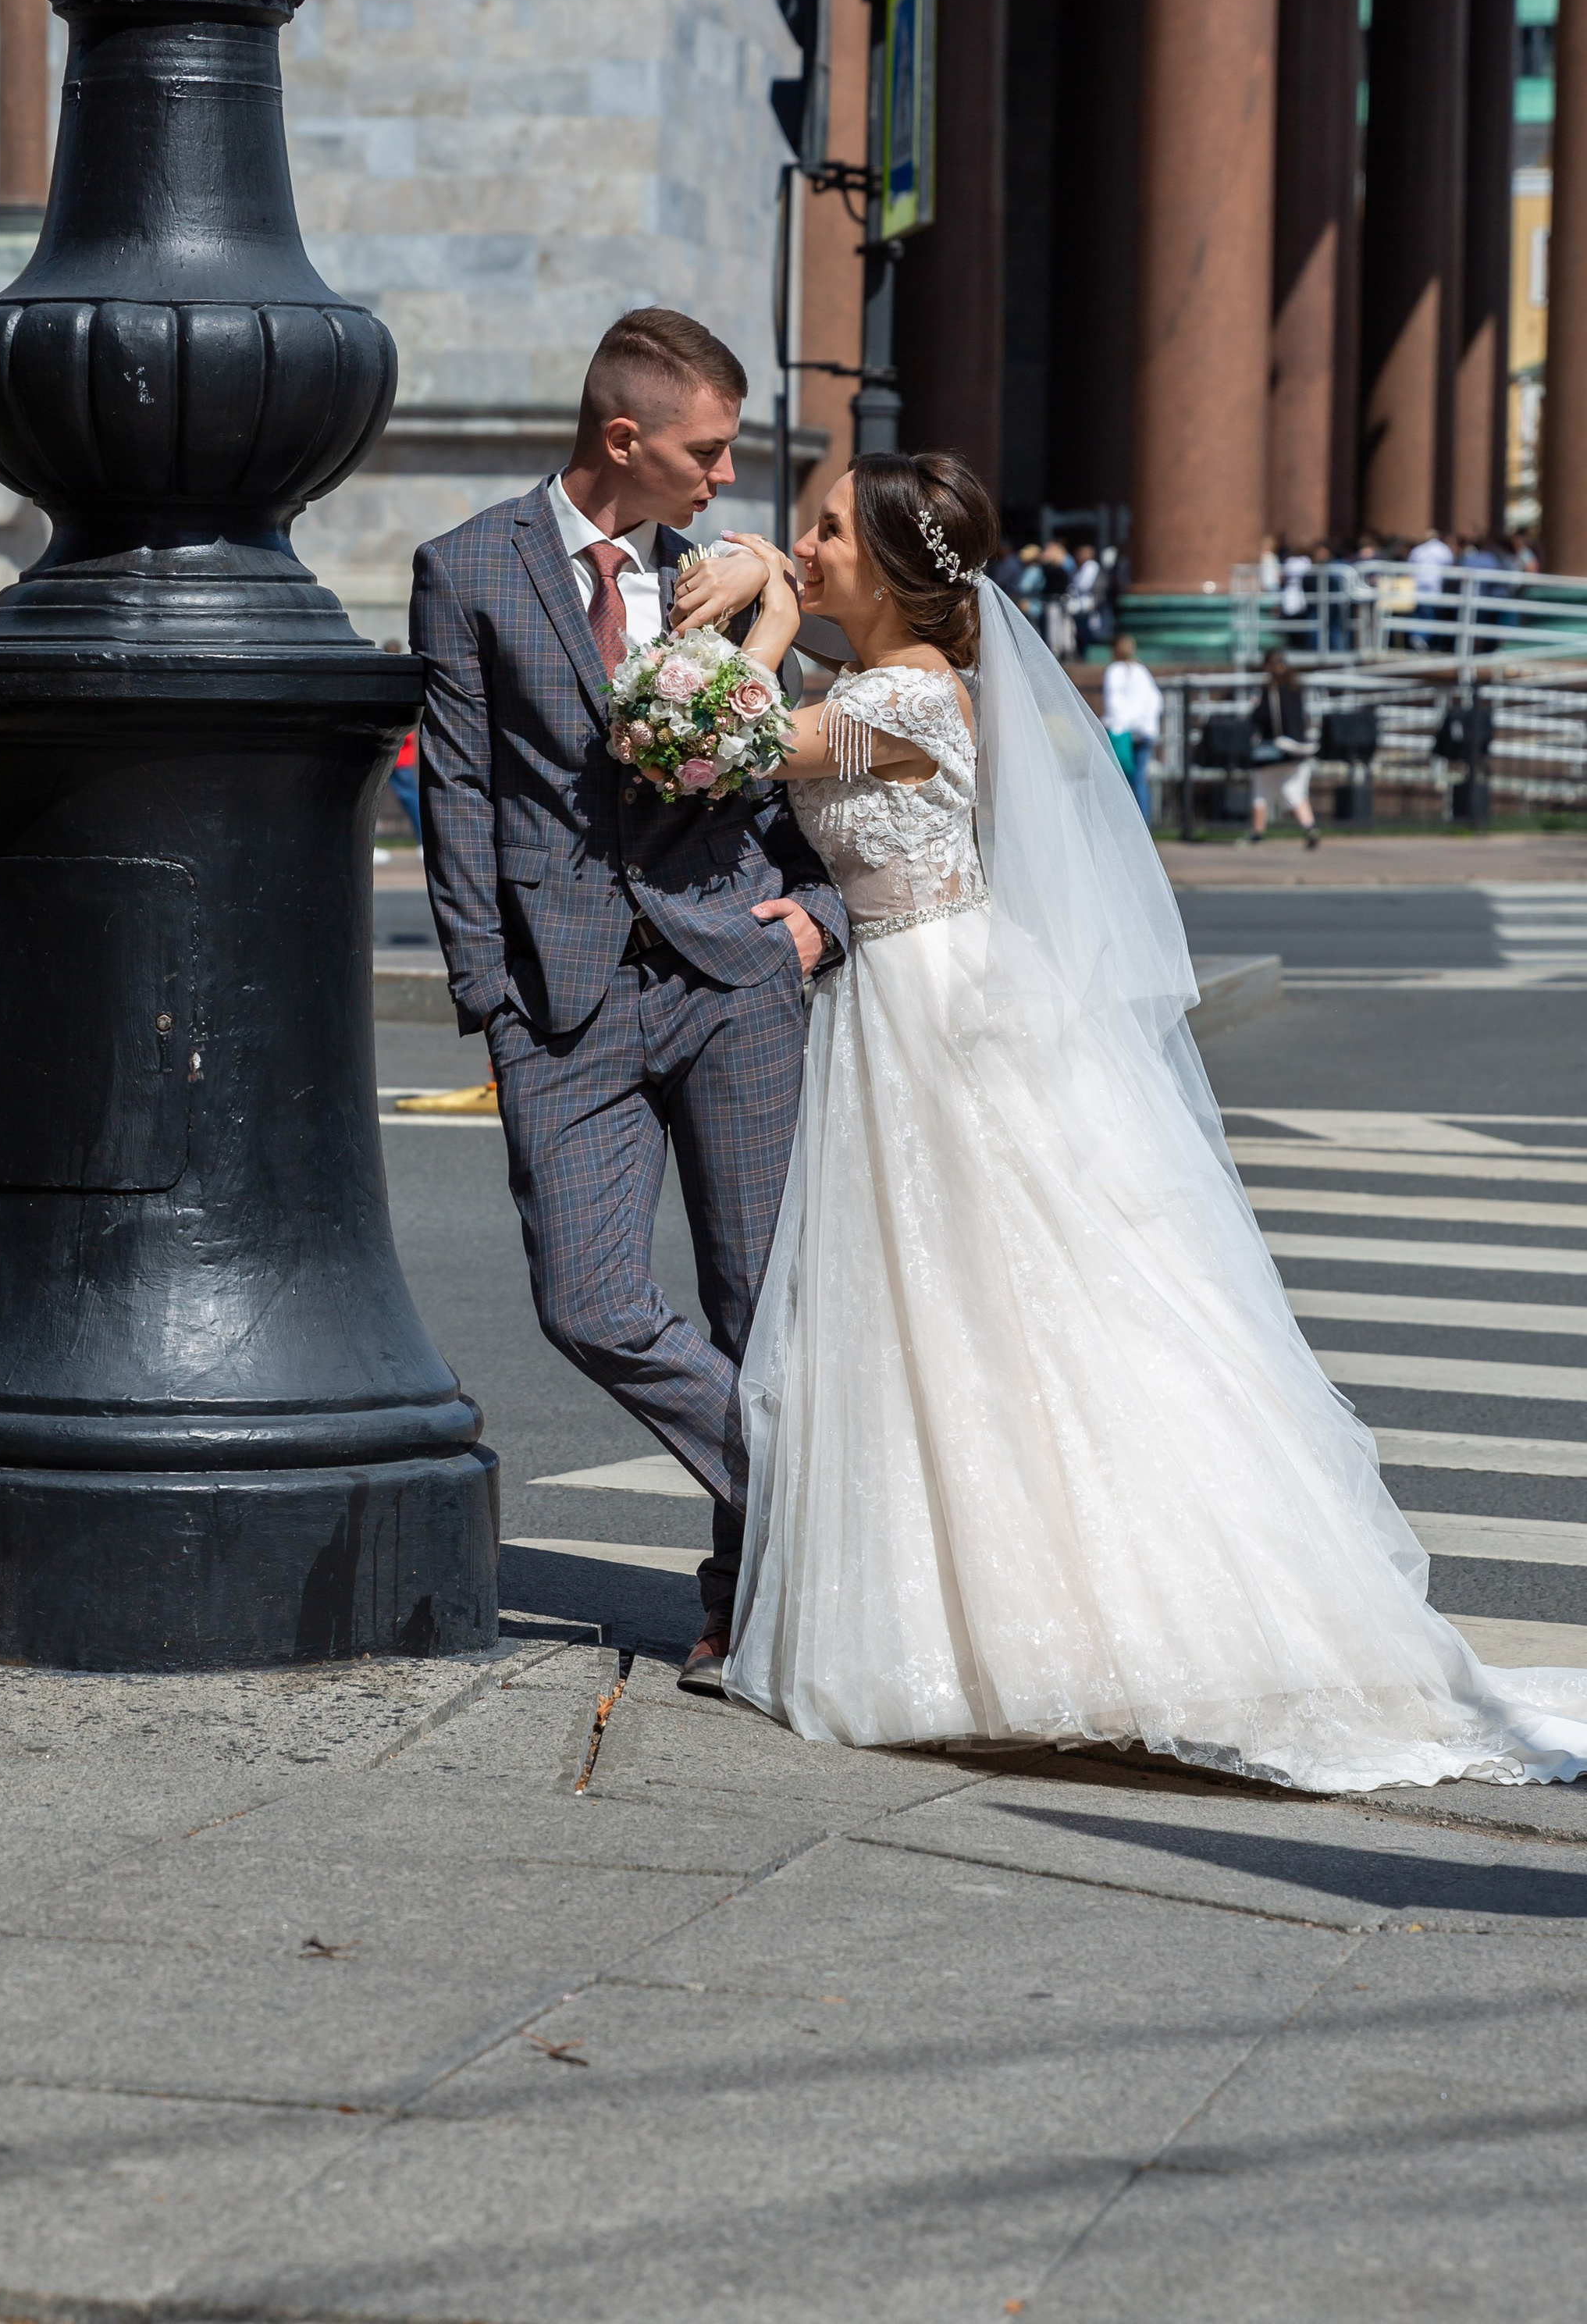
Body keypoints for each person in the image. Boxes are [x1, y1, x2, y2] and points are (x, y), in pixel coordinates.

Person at [674, 454, 1587, 1787]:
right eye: (802, 526)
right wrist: (775, 595)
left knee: (1008, 1300)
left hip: (946, 1006)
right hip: (900, 997)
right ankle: (968, 1606)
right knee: (947, 1314)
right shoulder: (883, 681)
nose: (800, 546)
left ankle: (1095, 1618)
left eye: (824, 530)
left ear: (891, 568)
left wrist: (753, 614)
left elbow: (727, 741)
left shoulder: (908, 695)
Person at [410, 307, 846, 1699]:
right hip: (567, 1001)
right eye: (705, 452)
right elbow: (460, 796)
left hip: (736, 979)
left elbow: (816, 770)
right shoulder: (468, 568)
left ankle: (742, 1596)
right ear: (624, 438)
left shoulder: (724, 578)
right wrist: (495, 995)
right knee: (592, 1302)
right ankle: (827, 1499)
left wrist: (818, 926)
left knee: (754, 1308)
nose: (725, 478)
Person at [1245, 646, 1319, 849]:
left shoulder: (1268, 691)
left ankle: (1257, 834)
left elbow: (1258, 719)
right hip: (1297, 749)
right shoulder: (1296, 687)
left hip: (1275, 749)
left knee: (1261, 790)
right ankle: (1309, 826)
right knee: (1293, 791)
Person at [1100, 632, 1162, 821]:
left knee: (1120, 782)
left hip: (1123, 733)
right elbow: (1155, 700)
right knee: (1140, 781)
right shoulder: (1142, 671)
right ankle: (1144, 826)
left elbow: (1114, 704)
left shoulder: (1114, 671)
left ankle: (1125, 825)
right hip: (1143, 732)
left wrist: (1121, 725)